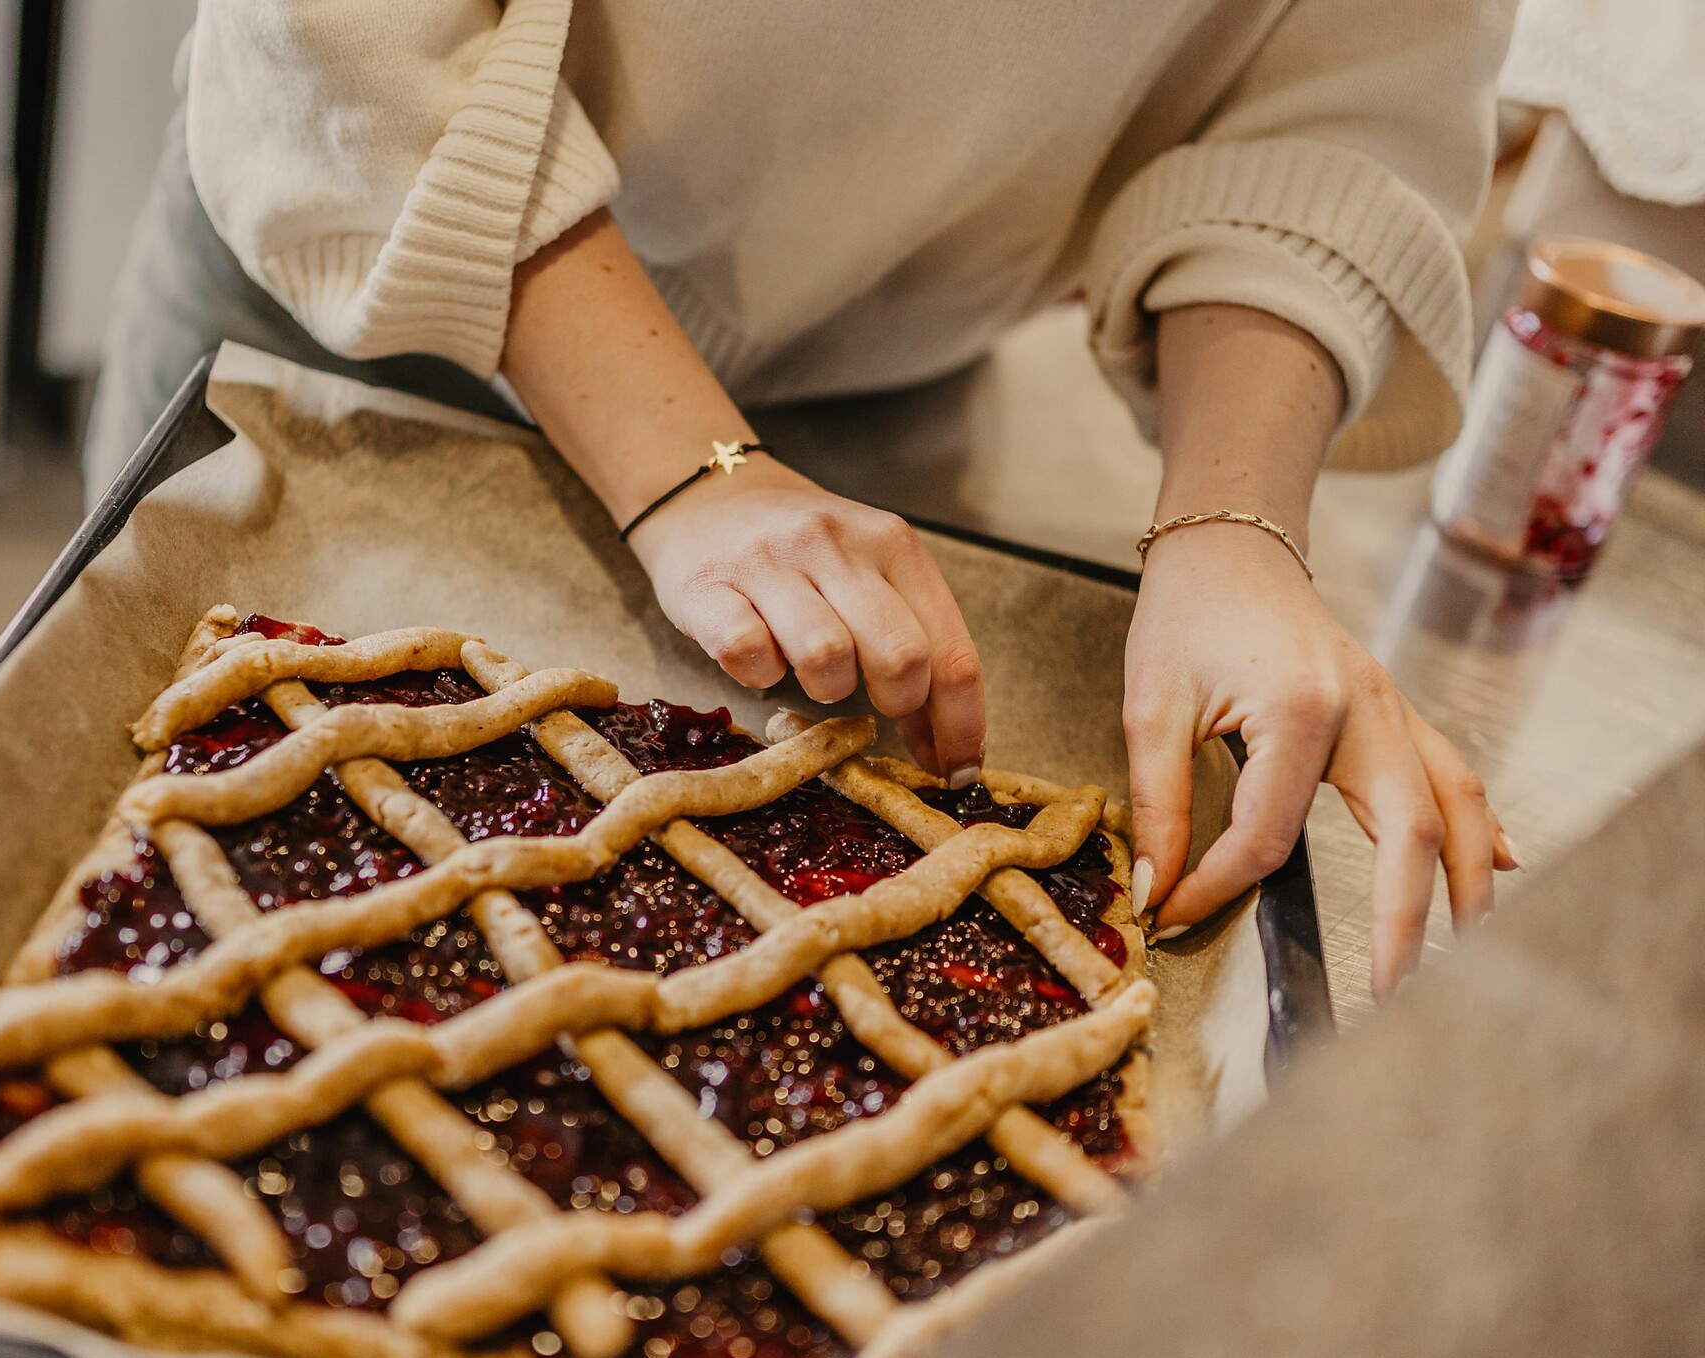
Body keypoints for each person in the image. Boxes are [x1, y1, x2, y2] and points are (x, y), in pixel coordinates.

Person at [90, 0, 1522, 997]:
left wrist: (1235, 527)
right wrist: (686, 468)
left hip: (873, 396)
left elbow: (1347, 89)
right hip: (373, 253)